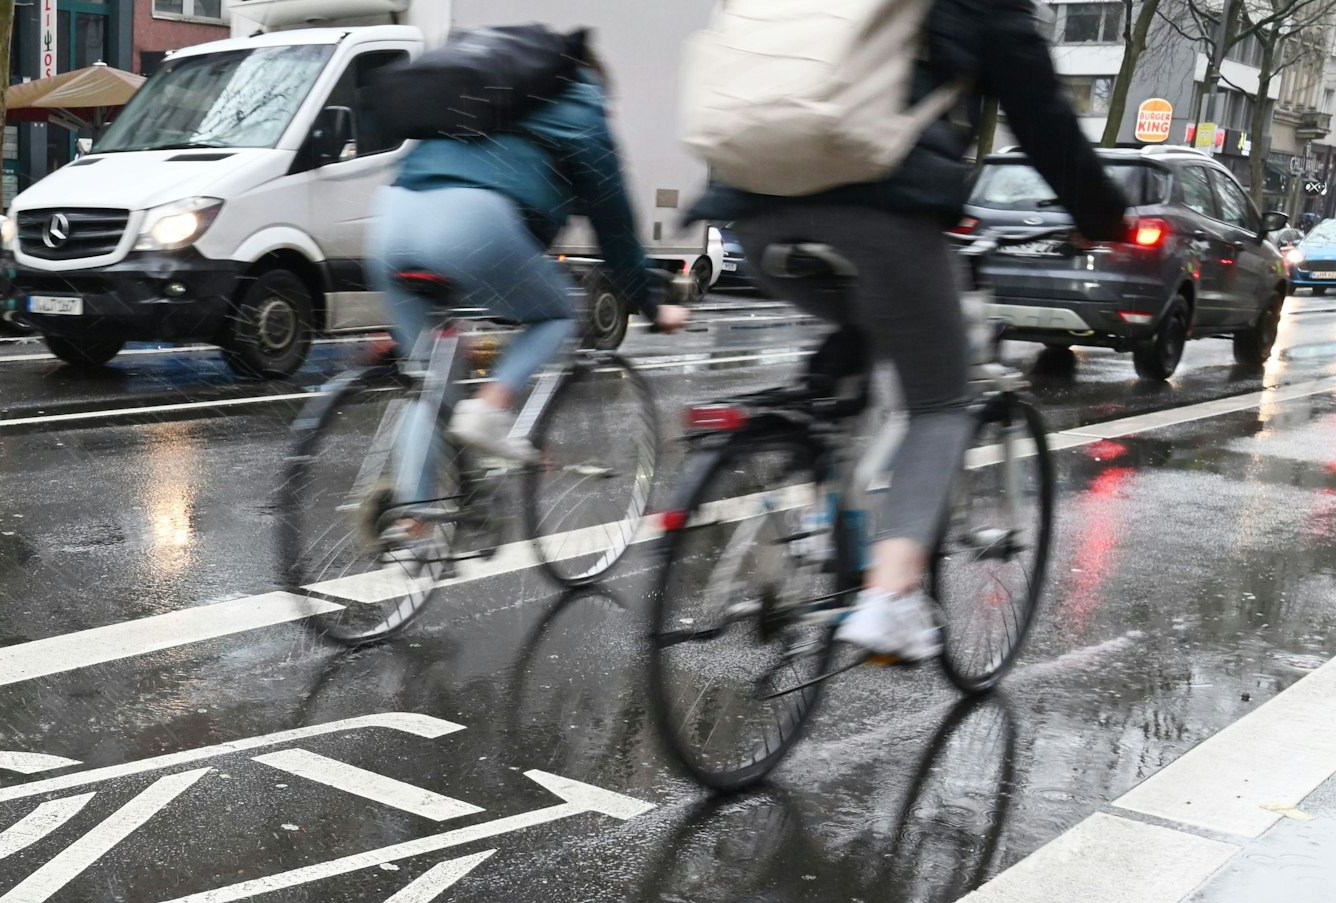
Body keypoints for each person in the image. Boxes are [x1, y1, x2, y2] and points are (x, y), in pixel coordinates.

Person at [688, 0, 1127, 663]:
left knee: (867, 325)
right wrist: (1101, 215)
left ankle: (817, 473)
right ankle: (890, 600)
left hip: (752, 206)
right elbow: (1042, 116)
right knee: (941, 402)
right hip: (875, 199)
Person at [369, 40, 685, 472]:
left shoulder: (485, 93)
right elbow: (614, 223)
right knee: (558, 314)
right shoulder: (580, 103)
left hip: (393, 217)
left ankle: (411, 526)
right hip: (469, 223)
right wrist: (649, 301)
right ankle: (490, 408)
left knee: (432, 385)